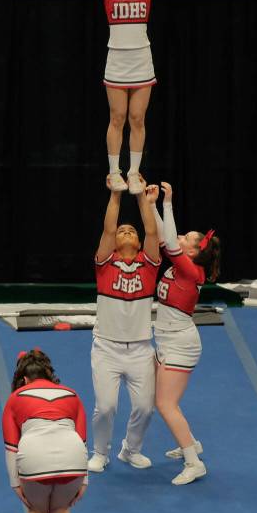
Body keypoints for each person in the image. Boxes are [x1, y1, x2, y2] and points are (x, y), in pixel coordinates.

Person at [62, 0, 203, 194]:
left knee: (137, 119)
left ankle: (134, 171)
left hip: (141, 61)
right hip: (116, 60)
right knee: (117, 118)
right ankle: (114, 172)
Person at [88, 176, 161, 473]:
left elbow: (153, 230)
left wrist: (142, 197)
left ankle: (130, 450)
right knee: (105, 408)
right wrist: (116, 194)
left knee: (145, 408)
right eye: (122, 231)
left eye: (132, 230)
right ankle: (100, 452)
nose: (127, 231)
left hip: (141, 349)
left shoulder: (149, 263)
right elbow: (108, 228)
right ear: (115, 243)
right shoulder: (105, 263)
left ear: (140, 242)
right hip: (106, 347)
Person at [153, 182, 222, 485]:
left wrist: (168, 202)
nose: (180, 237)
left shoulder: (191, 271)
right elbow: (163, 234)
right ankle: (191, 444)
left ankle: (194, 462)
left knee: (165, 404)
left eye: (186, 238)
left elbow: (168, 240)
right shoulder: (182, 264)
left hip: (180, 344)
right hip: (168, 339)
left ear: (193, 252)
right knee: (166, 401)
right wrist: (153, 204)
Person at [2, 349, 88, 513]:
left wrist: (15, 484)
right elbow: (82, 440)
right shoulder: (72, 395)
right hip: (74, 458)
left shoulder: (16, 397)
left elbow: (11, 446)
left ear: (24, 379)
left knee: (38, 510)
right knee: (60, 508)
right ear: (50, 376)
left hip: (34, 458)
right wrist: (85, 479)